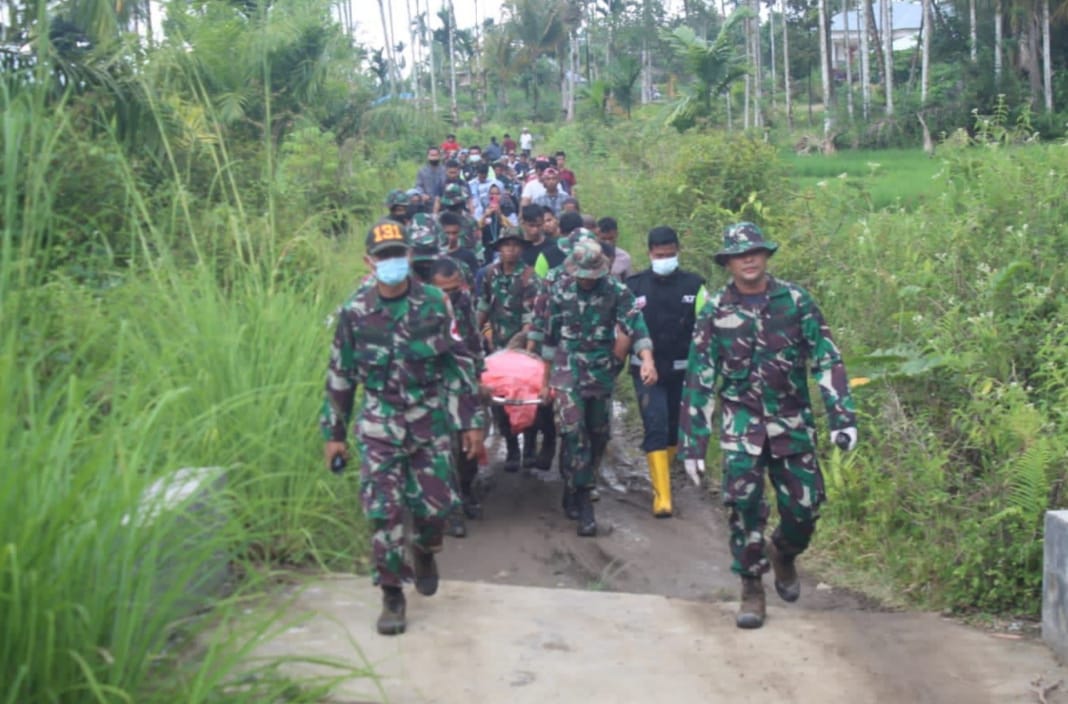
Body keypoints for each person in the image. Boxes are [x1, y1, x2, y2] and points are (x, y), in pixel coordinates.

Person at [678, 222, 858, 630]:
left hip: (791, 425)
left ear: (765, 255)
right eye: (740, 254)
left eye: (755, 251)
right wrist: (692, 444)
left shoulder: (795, 301)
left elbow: (826, 358)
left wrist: (842, 418)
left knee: (806, 507)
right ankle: (751, 588)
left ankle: (784, 552)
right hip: (741, 429)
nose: (749, 259)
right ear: (728, 262)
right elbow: (700, 379)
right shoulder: (716, 311)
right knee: (744, 510)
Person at [321, 218, 486, 636]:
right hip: (379, 426)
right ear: (369, 261)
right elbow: (340, 375)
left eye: (398, 254)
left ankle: (425, 550)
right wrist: (334, 435)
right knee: (384, 511)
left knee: (434, 512)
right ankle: (391, 593)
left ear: (410, 256)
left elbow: (456, 362)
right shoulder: (354, 312)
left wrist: (469, 421)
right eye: (384, 256)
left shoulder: (434, 303)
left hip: (428, 422)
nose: (392, 262)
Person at [533, 239, 656, 537]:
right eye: (582, 275)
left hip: (600, 370)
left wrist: (647, 359)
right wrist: (544, 380)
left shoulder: (615, 291)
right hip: (567, 369)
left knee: (598, 434)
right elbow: (548, 337)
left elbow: (635, 323)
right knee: (574, 431)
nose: (587, 281)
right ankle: (586, 503)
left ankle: (573, 485)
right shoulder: (560, 290)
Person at [625, 226, 706, 518]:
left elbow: (705, 329)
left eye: (671, 255)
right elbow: (626, 328)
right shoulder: (635, 287)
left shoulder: (695, 286)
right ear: (650, 254)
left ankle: (667, 473)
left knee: (673, 428)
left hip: (682, 370)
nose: (666, 260)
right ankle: (662, 496)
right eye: (660, 255)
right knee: (655, 424)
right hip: (646, 370)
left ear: (678, 252)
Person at [430, 257, 485, 539]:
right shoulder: (420, 305)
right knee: (443, 447)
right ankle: (451, 510)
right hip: (430, 383)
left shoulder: (462, 301)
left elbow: (473, 341)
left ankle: (467, 487)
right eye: (444, 290)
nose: (449, 296)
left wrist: (478, 377)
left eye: (453, 289)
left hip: (460, 378)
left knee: (469, 443)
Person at [477, 227, 539, 472]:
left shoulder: (529, 277)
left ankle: (530, 446)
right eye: (505, 245)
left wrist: (524, 345)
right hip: (498, 346)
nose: (510, 249)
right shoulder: (490, 275)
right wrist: (474, 332)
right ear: (499, 249)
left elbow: (531, 316)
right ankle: (512, 447)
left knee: (528, 397)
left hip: (525, 346)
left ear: (521, 248)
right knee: (499, 400)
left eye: (514, 245)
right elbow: (483, 305)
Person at [519, 204, 565, 276]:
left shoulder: (553, 246)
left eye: (538, 225)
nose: (535, 230)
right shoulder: (518, 247)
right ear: (523, 224)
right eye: (531, 225)